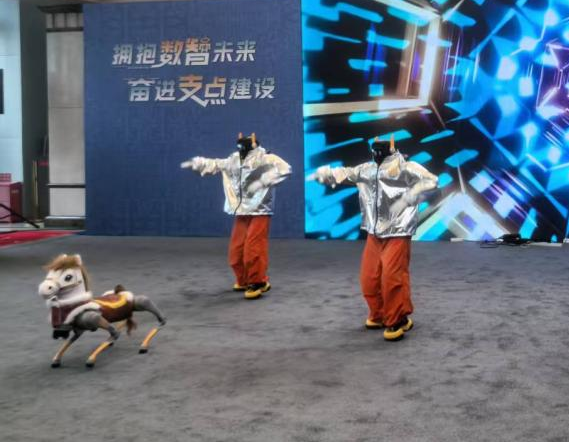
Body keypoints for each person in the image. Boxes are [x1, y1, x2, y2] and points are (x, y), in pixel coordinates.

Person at [312, 136, 438, 341]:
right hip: (374, 231)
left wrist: (409, 197)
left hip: (398, 231)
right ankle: (379, 313)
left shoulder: (406, 167)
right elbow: (347, 173)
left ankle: (397, 318)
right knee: (369, 278)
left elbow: (432, 180)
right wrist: (328, 174)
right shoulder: (367, 169)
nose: (377, 152)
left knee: (392, 277)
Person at [181, 132, 291, 300]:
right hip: (241, 210)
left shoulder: (265, 158)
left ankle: (258, 281)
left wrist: (263, 181)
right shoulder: (234, 159)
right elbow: (217, 164)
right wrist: (199, 163)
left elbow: (285, 169)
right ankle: (244, 279)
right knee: (236, 250)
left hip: (260, 209)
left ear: (253, 144)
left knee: (254, 247)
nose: (241, 148)